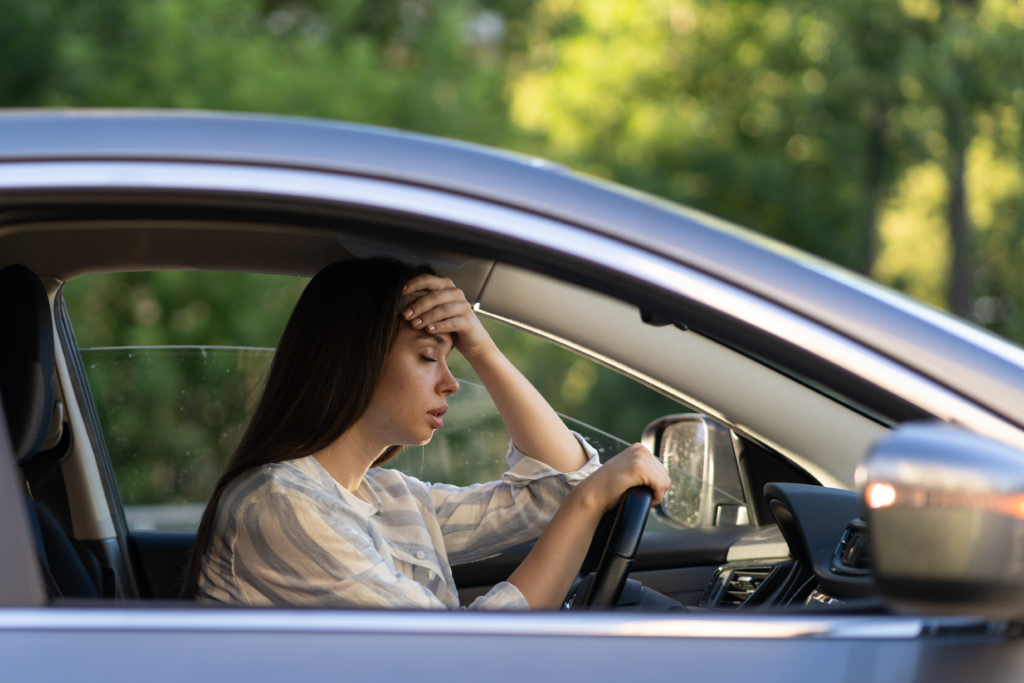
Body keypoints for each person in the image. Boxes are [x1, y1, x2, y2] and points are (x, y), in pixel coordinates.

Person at [182, 258, 670, 610]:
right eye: (425, 356)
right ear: (355, 361)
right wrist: (590, 501)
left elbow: (555, 487)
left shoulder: (389, 495)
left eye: (451, 360)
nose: (451, 382)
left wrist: (482, 347)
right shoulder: (279, 505)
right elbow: (457, 661)